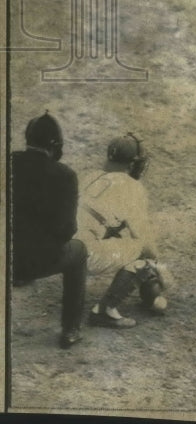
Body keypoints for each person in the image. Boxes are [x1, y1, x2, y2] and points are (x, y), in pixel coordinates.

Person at [11, 111, 88, 349]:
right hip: (37, 260)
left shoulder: (8, 161)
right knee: (79, 251)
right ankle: (70, 329)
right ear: (55, 144)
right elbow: (68, 230)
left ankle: (20, 275)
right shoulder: (65, 175)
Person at [78, 133, 167, 329]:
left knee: (107, 231)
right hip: (87, 255)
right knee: (141, 253)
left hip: (65, 252)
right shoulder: (132, 187)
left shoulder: (91, 177)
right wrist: (158, 268)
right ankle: (105, 311)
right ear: (133, 163)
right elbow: (144, 241)